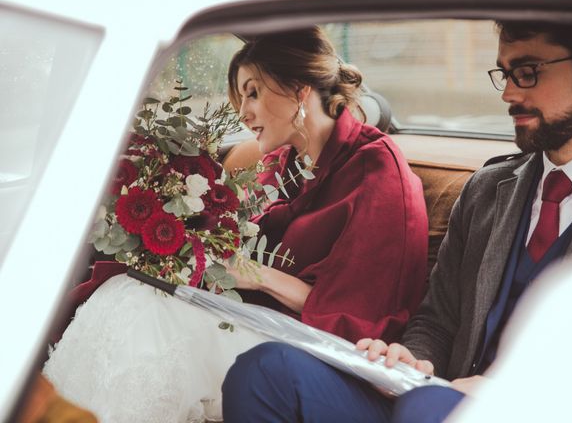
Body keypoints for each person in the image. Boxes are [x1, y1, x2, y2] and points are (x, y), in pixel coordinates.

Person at [221, 20, 572, 422]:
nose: (508, 93)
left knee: (426, 410)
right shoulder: (487, 188)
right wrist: (412, 357)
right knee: (264, 371)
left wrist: (505, 389)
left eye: (528, 73)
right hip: (434, 396)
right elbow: (436, 318)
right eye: (505, 74)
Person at [43, 27, 429, 422]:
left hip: (308, 347)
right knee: (130, 292)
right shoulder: (280, 167)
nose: (242, 112)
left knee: (150, 316)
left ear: (298, 89)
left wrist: (257, 276)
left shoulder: (378, 172)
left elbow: (370, 317)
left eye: (253, 93)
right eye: (240, 96)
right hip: (250, 318)